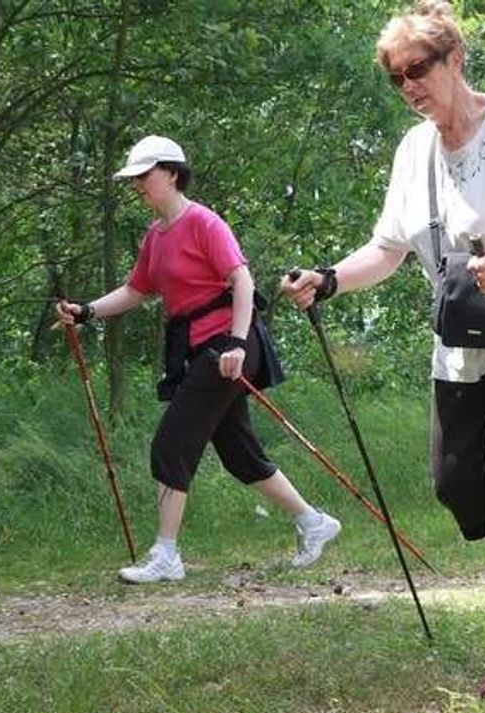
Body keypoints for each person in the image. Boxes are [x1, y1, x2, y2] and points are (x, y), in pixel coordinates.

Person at [281, 1, 485, 698]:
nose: (409, 86)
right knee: (457, 485)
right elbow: (389, 248)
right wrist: (329, 279)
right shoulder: (415, 149)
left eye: (418, 68)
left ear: (455, 59)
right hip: (463, 338)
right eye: (397, 77)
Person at [56, 135, 341, 584]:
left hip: (226, 347)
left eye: (143, 176)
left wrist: (236, 344)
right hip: (198, 349)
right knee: (239, 453)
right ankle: (313, 522)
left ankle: (166, 555)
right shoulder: (157, 235)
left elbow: (242, 281)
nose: (137, 186)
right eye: (133, 179)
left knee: (171, 444)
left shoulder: (204, 222)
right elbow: (136, 290)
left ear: (170, 172)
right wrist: (87, 311)